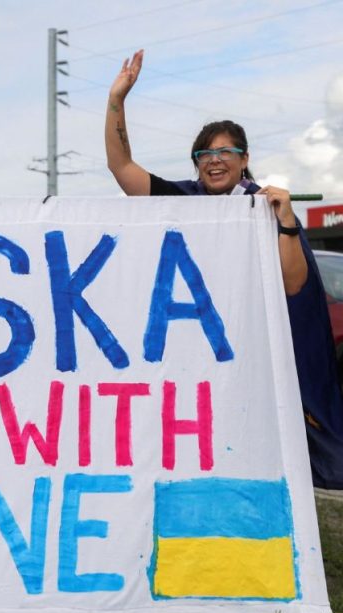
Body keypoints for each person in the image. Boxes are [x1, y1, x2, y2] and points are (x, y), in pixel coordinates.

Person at [105, 50, 343, 490]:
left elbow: (295, 285)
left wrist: (285, 221)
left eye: (225, 152)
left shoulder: (266, 206)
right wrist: (117, 99)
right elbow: (122, 168)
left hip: (260, 346)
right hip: (206, 349)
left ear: (244, 158)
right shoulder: (186, 201)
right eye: (204, 154)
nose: (214, 160)